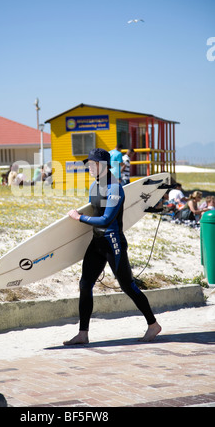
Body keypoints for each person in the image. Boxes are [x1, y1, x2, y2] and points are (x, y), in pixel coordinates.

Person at [64, 148, 161, 345]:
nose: (89, 167)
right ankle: (83, 334)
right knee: (85, 284)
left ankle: (153, 325)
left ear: (104, 165)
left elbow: (107, 219)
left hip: (112, 242)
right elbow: (96, 210)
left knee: (127, 285)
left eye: (93, 164)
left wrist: (79, 218)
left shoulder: (115, 188)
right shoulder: (95, 186)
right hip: (97, 241)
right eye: (88, 164)